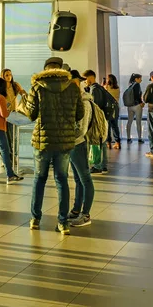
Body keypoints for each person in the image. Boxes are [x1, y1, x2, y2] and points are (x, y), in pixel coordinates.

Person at [24, 56, 84, 235]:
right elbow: (79, 114)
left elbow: (31, 115)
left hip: (43, 141)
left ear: (45, 69)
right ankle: (63, 223)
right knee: (62, 180)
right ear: (61, 68)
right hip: (65, 142)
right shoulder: (72, 87)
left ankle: (35, 219)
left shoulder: (37, 87)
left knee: (39, 179)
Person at [68, 70, 95, 227]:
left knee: (85, 178)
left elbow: (81, 129)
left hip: (78, 143)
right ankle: (76, 210)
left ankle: (86, 215)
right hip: (73, 144)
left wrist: (67, 136)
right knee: (78, 179)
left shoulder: (83, 102)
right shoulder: (74, 99)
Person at [0, 77, 24, 185]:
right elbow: (4, 114)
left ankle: (10, 174)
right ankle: (10, 175)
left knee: (1, 150)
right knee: (5, 151)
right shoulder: (1, 98)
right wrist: (7, 108)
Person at [83, 69, 110, 174]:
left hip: (97, 119)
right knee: (101, 141)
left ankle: (98, 166)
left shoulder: (94, 89)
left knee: (96, 141)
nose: (85, 82)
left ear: (90, 78)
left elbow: (94, 105)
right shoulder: (99, 88)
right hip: (102, 118)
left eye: (85, 79)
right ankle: (103, 165)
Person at [0, 68, 27, 158]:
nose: (9, 77)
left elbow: (23, 93)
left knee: (13, 136)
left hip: (13, 113)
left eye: (10, 74)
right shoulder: (1, 87)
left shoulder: (15, 85)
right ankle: (8, 156)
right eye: (7, 75)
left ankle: (14, 156)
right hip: (4, 113)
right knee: (6, 136)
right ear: (3, 76)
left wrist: (23, 92)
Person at [125, 73, 144, 144]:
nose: (141, 80)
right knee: (138, 122)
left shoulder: (130, 85)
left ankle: (128, 138)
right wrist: (141, 102)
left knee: (129, 122)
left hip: (130, 106)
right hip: (137, 106)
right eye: (140, 78)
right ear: (136, 79)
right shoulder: (137, 85)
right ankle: (139, 138)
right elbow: (137, 96)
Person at [104, 74, 121, 150]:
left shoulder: (106, 88)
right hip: (116, 108)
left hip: (108, 108)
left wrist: (103, 85)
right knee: (115, 126)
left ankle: (108, 143)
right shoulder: (117, 88)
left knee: (108, 126)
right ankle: (118, 142)